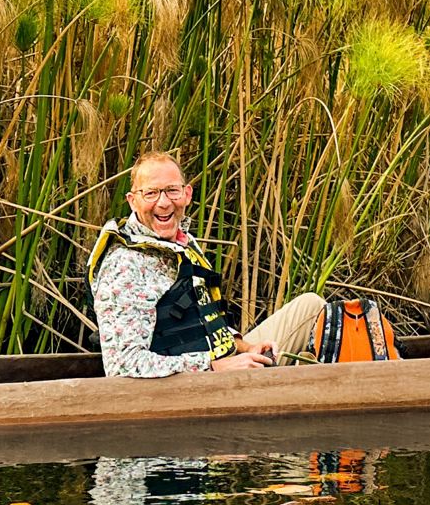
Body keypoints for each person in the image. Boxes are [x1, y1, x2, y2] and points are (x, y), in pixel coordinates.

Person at [87, 151, 327, 376]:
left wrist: (247, 348)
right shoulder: (124, 265)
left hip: (221, 363)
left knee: (312, 306)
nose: (164, 202)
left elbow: (205, 321)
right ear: (133, 201)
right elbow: (122, 365)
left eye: (172, 191)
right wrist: (212, 366)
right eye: (151, 193)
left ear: (187, 194)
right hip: (189, 388)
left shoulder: (183, 244)